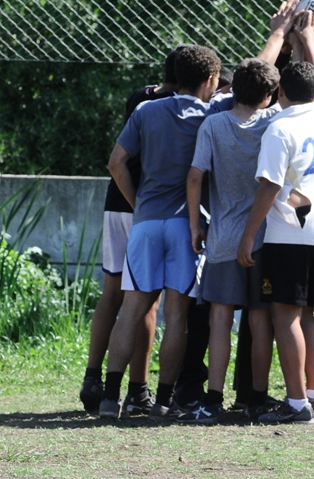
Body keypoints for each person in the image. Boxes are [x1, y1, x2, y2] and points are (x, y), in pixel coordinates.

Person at [100, 44, 232, 420]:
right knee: (176, 315)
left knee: (132, 310)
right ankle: (162, 401)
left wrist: (139, 200)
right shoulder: (211, 114)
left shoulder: (146, 110)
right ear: (210, 80)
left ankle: (112, 399)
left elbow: (116, 162)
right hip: (185, 226)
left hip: (146, 221)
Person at [238, 10, 314, 424]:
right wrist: (312, 41)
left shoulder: (279, 128)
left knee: (285, 316)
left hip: (290, 236)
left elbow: (268, 186)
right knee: (306, 315)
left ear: (280, 90)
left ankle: (297, 403)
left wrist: (248, 236)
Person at [79, 46, 186, 416]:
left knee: (113, 292)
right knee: (146, 299)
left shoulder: (141, 96)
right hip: (148, 205)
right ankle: (139, 388)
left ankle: (94, 377)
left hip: (117, 203)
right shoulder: (184, 106)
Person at [180, 57, 282, 424]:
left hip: (223, 237)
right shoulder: (274, 121)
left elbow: (195, 176)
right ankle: (254, 397)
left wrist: (195, 224)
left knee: (220, 319)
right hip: (263, 237)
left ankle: (213, 398)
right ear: (269, 94)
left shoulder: (214, 124)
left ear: (232, 88)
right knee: (260, 320)